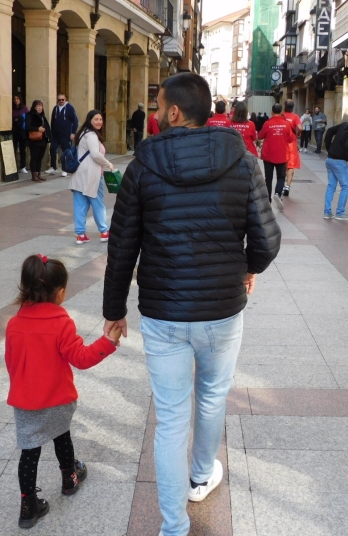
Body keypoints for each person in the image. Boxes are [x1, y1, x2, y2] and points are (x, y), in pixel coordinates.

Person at [102, 73, 281, 536]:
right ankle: (201, 476)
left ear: (175, 112)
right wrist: (249, 267)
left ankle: (173, 527)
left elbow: (123, 245)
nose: (157, 113)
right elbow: (267, 239)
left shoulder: (143, 168)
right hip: (222, 307)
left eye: (159, 105)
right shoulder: (243, 163)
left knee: (170, 419)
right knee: (213, 396)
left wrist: (114, 308)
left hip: (163, 312)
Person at [5, 254, 122, 529]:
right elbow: (81, 358)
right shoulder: (61, 323)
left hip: (25, 402)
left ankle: (28, 505)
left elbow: (11, 363)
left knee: (29, 452)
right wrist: (108, 342)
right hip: (57, 399)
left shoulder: (14, 325)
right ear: (59, 292)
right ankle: (69, 478)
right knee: (61, 437)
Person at [70, 110, 114, 245]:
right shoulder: (92, 135)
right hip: (92, 175)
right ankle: (104, 231)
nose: (99, 122)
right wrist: (108, 164)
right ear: (90, 120)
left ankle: (80, 234)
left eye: (101, 119)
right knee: (98, 204)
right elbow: (95, 154)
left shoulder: (82, 133)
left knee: (80, 205)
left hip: (79, 174)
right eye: (96, 119)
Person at [258, 103, 296, 211]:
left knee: (268, 178)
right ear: (281, 111)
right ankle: (278, 194)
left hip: (268, 154)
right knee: (281, 177)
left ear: (272, 112)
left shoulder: (267, 123)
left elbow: (260, 136)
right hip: (281, 154)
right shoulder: (286, 124)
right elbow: (290, 139)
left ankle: (268, 200)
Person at [46, 93, 79, 177]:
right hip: (56, 134)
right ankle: (53, 167)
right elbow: (52, 121)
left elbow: (75, 121)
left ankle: (65, 169)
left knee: (66, 152)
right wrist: (51, 132)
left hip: (66, 135)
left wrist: (73, 133)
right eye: (59, 100)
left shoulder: (70, 108)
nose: (61, 101)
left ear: (65, 99)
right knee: (52, 149)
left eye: (62, 100)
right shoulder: (55, 108)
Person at [25, 100, 51, 183]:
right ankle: (34, 176)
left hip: (43, 139)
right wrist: (37, 129)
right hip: (34, 140)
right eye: (38, 106)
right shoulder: (30, 115)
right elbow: (28, 127)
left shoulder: (43, 116)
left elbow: (47, 126)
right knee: (34, 157)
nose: (40, 108)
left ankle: (39, 174)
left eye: (41, 106)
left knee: (40, 158)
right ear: (34, 107)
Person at [281, 100, 302, 196]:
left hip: (282, 141)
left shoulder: (281, 115)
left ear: (284, 106)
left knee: (282, 163)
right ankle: (287, 186)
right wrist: (296, 134)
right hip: (292, 143)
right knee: (291, 165)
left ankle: (281, 185)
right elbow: (300, 127)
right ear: (293, 107)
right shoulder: (295, 117)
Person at [12, 94, 29, 173]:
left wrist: (18, 119)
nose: (16, 100)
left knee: (23, 149)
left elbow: (28, 118)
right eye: (15, 98)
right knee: (13, 149)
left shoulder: (24, 108)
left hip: (22, 131)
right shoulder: (12, 108)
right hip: (14, 131)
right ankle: (12, 166)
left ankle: (23, 166)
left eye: (17, 98)